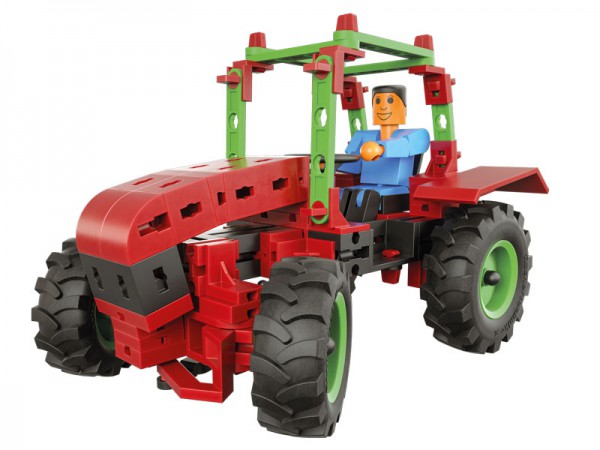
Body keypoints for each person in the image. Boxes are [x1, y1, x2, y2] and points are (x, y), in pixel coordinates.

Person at [338, 85, 430, 206]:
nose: (383, 106)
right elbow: (353, 164)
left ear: (404, 108)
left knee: (364, 198)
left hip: (397, 189)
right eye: (377, 101)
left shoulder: (416, 134)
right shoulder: (363, 135)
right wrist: (330, 164)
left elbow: (404, 144)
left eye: (390, 100)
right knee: (338, 195)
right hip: (366, 186)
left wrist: (380, 149)